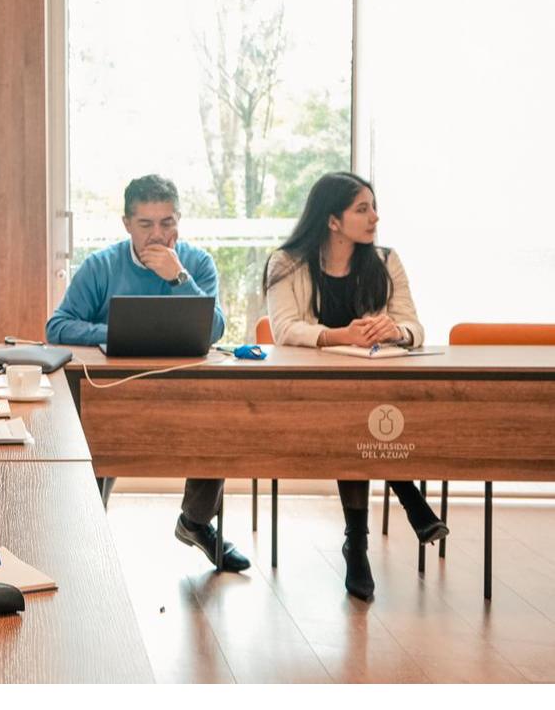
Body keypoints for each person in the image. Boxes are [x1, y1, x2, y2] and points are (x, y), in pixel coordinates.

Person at [45, 174, 246, 572]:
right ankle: (89, 523)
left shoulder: (196, 264)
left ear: (178, 221)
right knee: (97, 416)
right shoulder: (101, 266)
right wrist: (118, 332)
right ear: (127, 224)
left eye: (167, 223)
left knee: (220, 413)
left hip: (184, 387)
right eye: (146, 224)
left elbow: (215, 329)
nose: (157, 234)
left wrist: (178, 278)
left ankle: (196, 521)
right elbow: (58, 326)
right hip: (117, 390)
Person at [264, 170, 449, 600]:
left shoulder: (385, 261)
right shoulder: (287, 263)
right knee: (358, 421)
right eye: (362, 209)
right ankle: (407, 503)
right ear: (332, 220)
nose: (375, 218)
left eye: (374, 207)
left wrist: (395, 331)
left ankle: (358, 544)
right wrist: (339, 335)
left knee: (361, 416)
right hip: (310, 394)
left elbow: (414, 325)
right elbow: (284, 329)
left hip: (369, 388)